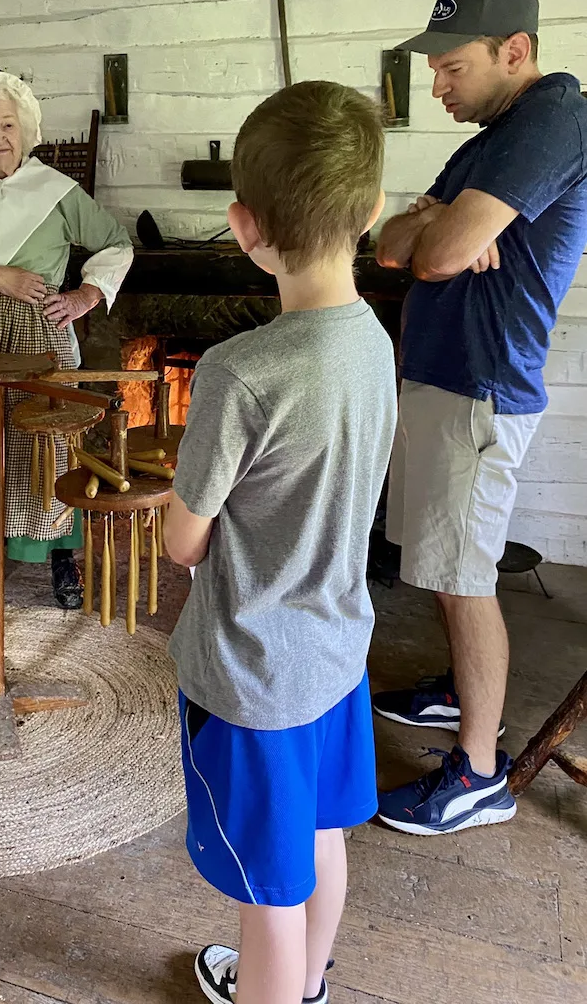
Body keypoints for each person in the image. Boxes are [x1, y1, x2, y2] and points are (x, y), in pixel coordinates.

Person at [164, 81, 396, 1004]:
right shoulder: (375, 339)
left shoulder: (239, 372)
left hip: (253, 674)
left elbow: (185, 543)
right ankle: (305, 986)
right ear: (373, 212)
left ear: (242, 226)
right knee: (319, 837)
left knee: (267, 888)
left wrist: (166, 514)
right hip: (338, 655)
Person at [374, 0, 587, 834]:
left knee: (464, 580)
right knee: (441, 561)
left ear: (516, 51)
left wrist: (445, 229)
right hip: (447, 374)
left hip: (483, 383)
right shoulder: (489, 140)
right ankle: (463, 691)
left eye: (453, 67)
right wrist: (435, 225)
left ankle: (477, 777)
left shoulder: (554, 120)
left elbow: (434, 252)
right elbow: (392, 244)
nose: (438, 85)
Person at [0, 72, 132, 609]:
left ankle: (61, 557)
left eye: (7, 124)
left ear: (26, 129)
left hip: (37, 336)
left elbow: (117, 245)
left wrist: (82, 298)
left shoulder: (56, 191)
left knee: (48, 448)